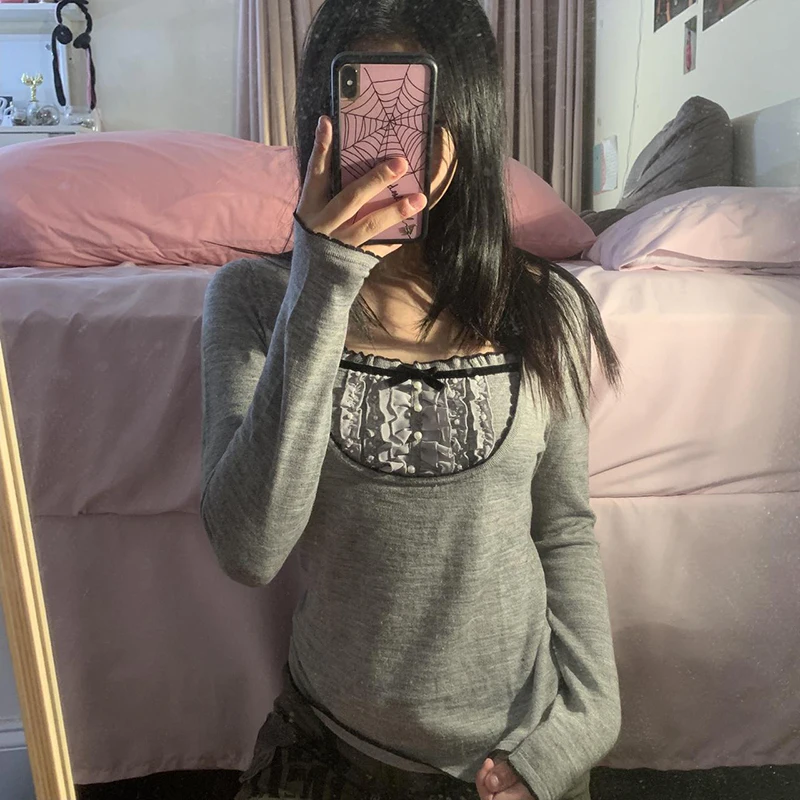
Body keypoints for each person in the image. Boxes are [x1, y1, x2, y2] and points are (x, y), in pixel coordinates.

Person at [200, 1, 623, 798]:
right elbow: (249, 550)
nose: (388, 149)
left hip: (521, 756)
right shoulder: (253, 300)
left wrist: (589, 722)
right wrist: (324, 275)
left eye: (412, 113)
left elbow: (564, 527)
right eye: (362, 110)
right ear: (321, 121)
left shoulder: (545, 305)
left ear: (462, 125)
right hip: (332, 753)